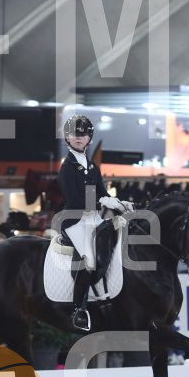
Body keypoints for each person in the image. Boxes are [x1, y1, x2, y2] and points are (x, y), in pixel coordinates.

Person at [58, 113, 127, 332]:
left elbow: (103, 193)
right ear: (67, 138)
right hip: (75, 220)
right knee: (88, 259)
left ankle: (107, 296)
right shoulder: (67, 167)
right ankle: (78, 310)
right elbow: (75, 199)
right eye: (74, 134)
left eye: (83, 134)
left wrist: (119, 203)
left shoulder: (93, 167)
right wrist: (101, 201)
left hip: (94, 219)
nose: (79, 137)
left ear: (89, 138)